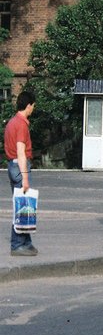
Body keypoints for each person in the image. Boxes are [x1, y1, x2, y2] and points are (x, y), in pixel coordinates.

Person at [5, 91, 37, 256]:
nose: (33, 109)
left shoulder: (11, 122)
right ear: (29, 105)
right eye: (33, 106)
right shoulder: (21, 124)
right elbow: (20, 151)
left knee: (24, 205)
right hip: (19, 166)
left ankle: (26, 242)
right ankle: (17, 245)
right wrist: (25, 176)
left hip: (12, 165)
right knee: (22, 206)